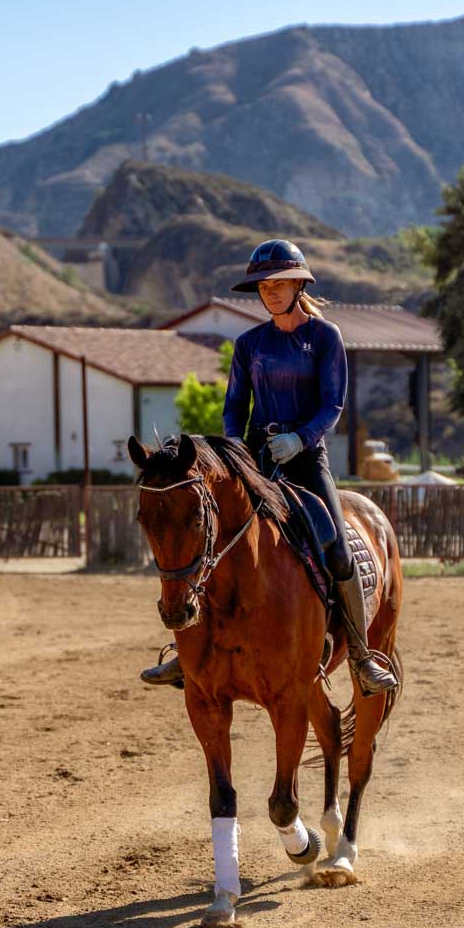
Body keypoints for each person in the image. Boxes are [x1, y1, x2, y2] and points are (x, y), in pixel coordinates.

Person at [141, 239, 399, 696]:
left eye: (279, 284)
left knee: (338, 550)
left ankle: (360, 655)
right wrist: (236, 452)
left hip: (306, 458)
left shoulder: (325, 337)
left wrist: (300, 438)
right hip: (256, 459)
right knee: (214, 542)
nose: (271, 292)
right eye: (264, 286)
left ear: (299, 285)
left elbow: (332, 404)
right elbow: (234, 406)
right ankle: (188, 651)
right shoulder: (249, 344)